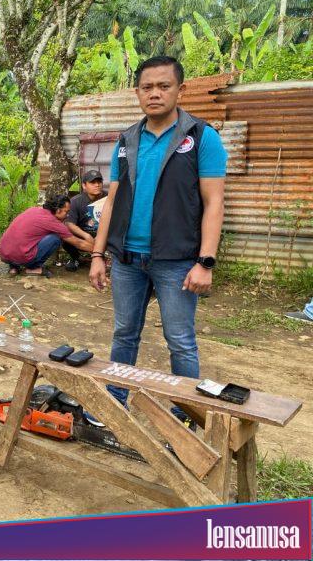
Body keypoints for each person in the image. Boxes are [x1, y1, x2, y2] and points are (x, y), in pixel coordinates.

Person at [89, 56, 227, 420]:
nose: (155, 94)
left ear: (180, 90)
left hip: (177, 262)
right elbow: (112, 200)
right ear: (137, 92)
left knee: (180, 341)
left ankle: (186, 417)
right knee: (124, 334)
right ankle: (114, 404)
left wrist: (205, 262)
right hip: (127, 260)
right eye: (147, 87)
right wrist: (98, 255)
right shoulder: (127, 140)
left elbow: (214, 203)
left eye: (164, 86)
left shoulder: (201, 137)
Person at [0, 195, 94, 277]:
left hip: (3, 254)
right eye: (66, 212)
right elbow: (78, 243)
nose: (68, 215)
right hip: (21, 257)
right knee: (56, 238)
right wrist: (98, 250)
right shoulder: (53, 222)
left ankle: (14, 267)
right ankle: (33, 268)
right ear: (58, 210)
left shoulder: (33, 209)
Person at [63, 169, 106, 272]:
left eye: (99, 182)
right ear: (84, 185)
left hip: (105, 234)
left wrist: (102, 235)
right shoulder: (76, 201)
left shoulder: (109, 198)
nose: (97, 185)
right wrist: (86, 236)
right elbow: (69, 223)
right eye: (92, 182)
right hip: (84, 236)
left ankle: (111, 261)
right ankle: (76, 258)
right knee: (64, 236)